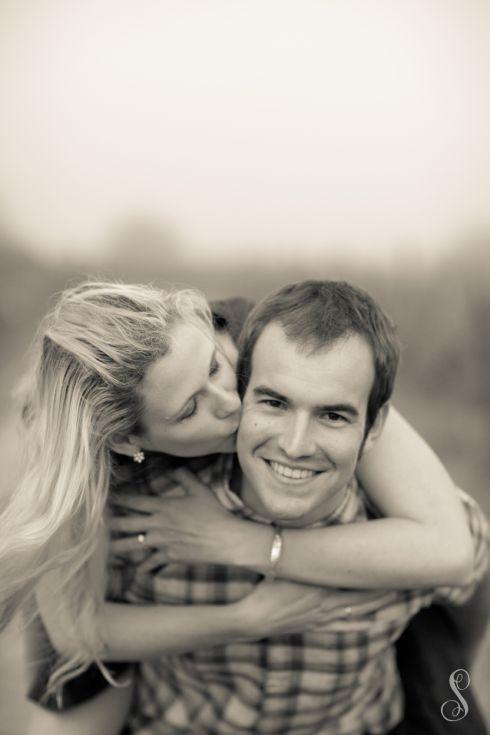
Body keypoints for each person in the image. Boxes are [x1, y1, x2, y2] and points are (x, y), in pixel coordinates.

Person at [0, 280, 482, 733]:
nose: (231, 401)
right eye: (191, 409)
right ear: (129, 441)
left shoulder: (270, 354)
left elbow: (452, 547)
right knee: (75, 694)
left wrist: (245, 542)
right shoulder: (85, 464)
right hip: (110, 593)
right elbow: (78, 632)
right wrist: (247, 618)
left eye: (214, 367)